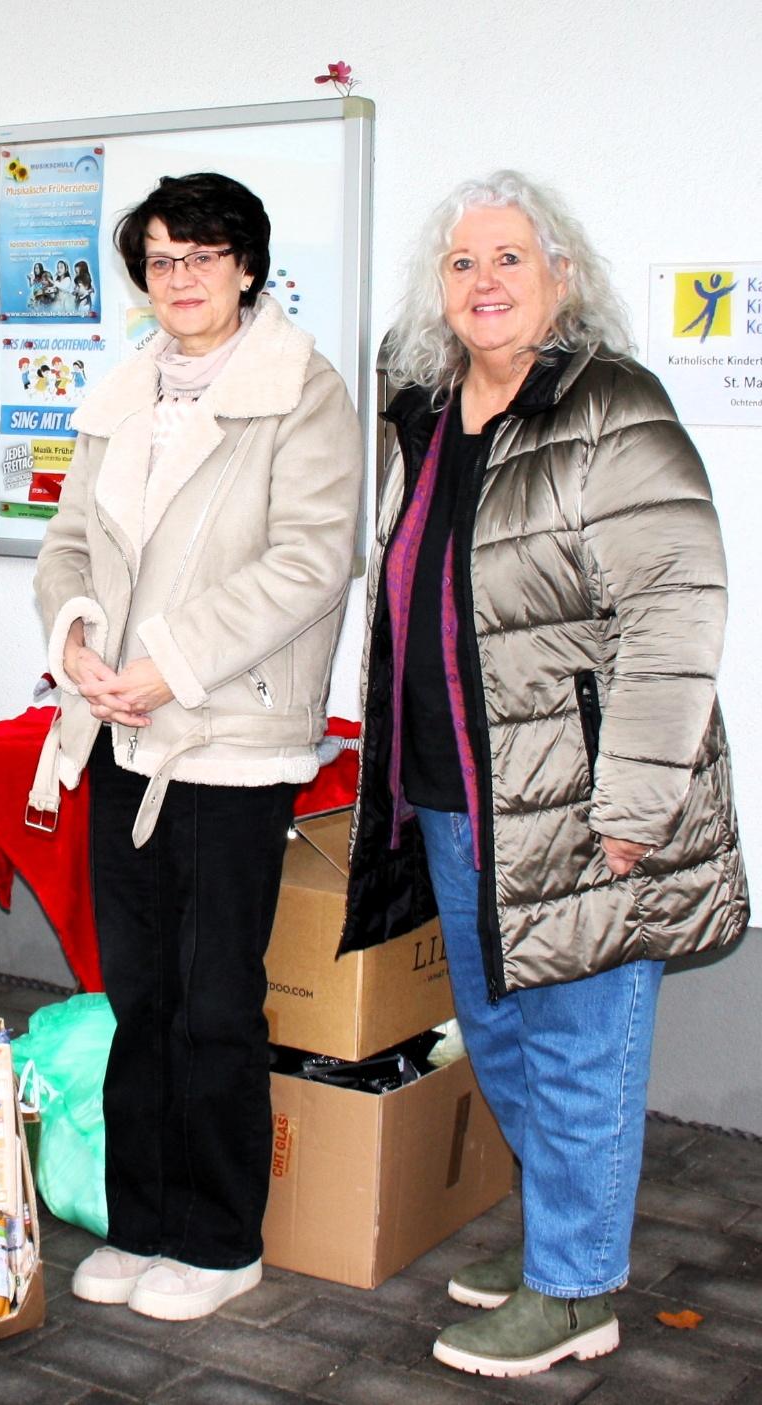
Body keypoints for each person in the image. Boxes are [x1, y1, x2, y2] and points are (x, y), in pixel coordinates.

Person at [342, 171, 747, 1378]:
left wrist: (633, 803)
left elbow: (675, 613)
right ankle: (565, 1246)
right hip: (460, 799)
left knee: (580, 1044)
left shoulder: (608, 406)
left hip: (580, 805)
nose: (486, 283)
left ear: (562, 276)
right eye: (464, 262)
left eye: (512, 258)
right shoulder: (424, 412)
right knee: (503, 1035)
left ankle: (577, 1290)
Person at [33, 172, 363, 1320]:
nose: (180, 279)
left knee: (215, 996)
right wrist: (76, 641)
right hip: (121, 729)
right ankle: (144, 1221)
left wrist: (170, 657)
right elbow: (68, 542)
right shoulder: (122, 393)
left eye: (202, 256)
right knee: (138, 994)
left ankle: (221, 1242)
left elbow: (313, 558)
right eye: (160, 260)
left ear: (247, 268)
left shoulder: (303, 393)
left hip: (228, 737)